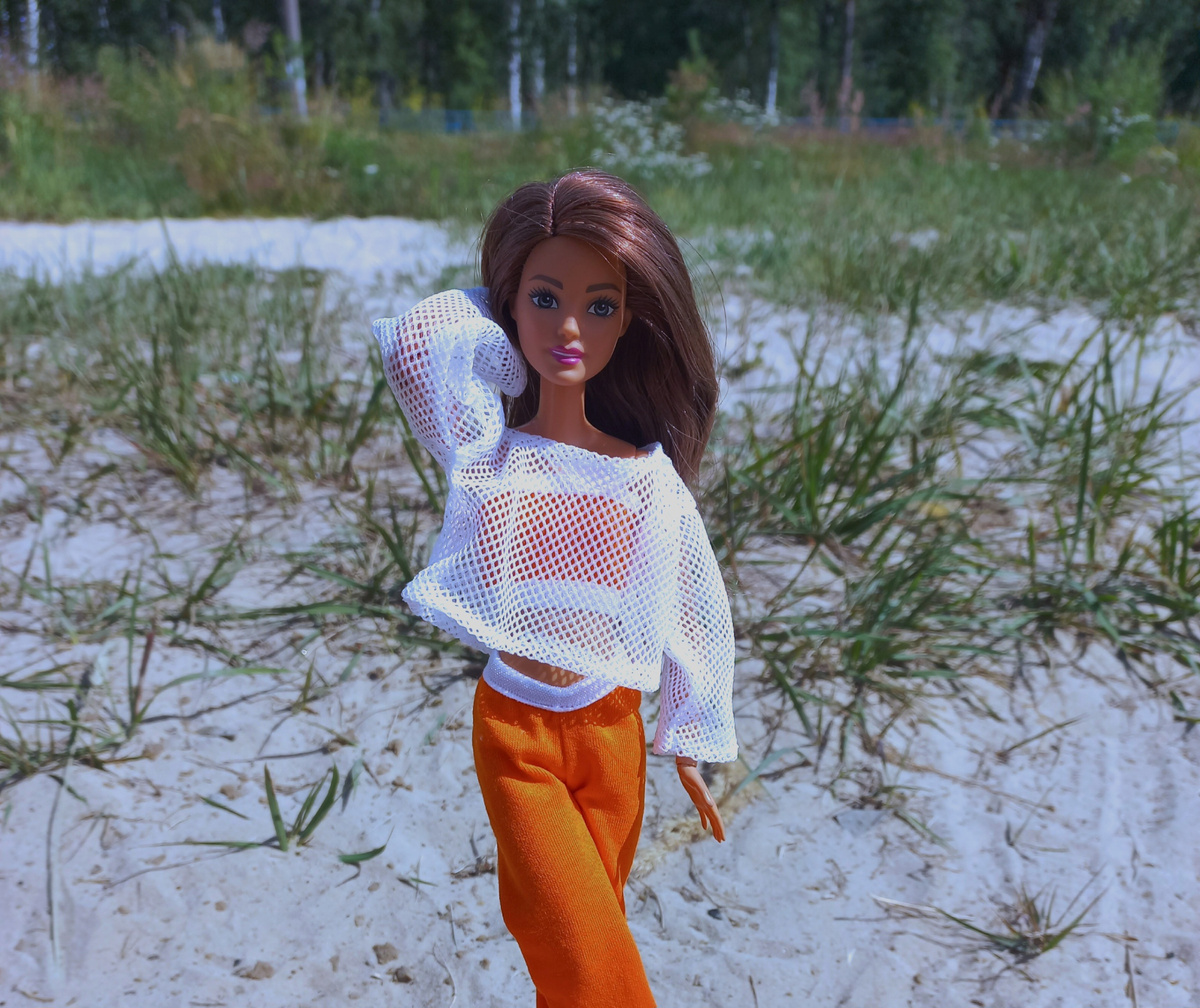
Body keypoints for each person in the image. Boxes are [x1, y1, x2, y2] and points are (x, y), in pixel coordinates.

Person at [372, 169, 737, 1008]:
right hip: (517, 734)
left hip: (613, 732)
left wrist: (691, 732)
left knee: (588, 937)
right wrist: (502, 300)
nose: (570, 328)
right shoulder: (487, 457)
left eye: (601, 306)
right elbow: (418, 344)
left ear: (631, 321)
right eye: (545, 299)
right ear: (510, 305)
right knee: (574, 949)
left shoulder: (647, 480)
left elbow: (694, 608)